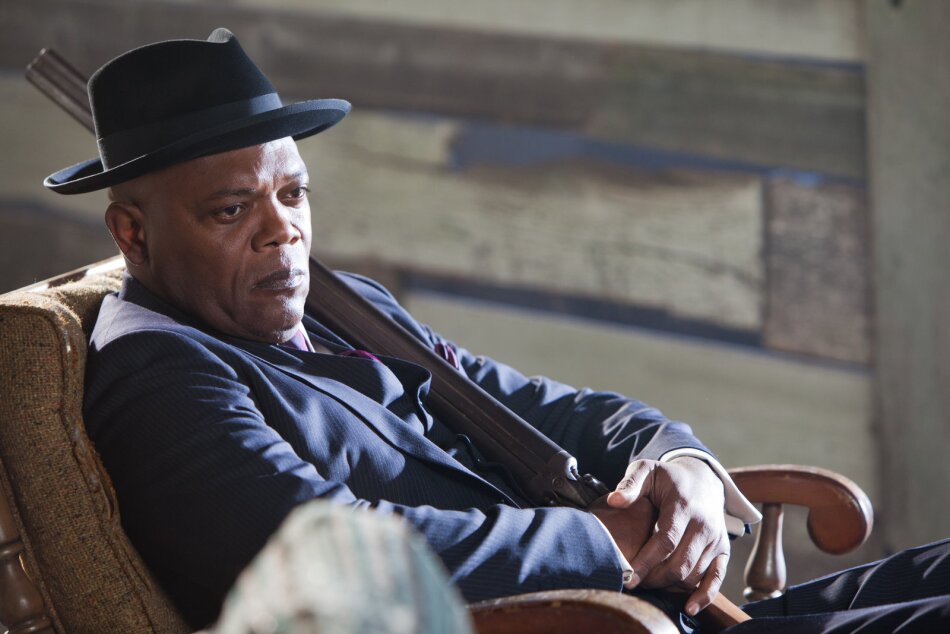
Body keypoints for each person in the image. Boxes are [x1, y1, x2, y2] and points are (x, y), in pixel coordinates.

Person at [44, 29, 948, 633]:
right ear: (133, 236)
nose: (282, 232)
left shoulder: (336, 304)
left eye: (293, 193)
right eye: (232, 209)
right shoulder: (158, 376)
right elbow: (331, 556)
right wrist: (606, 546)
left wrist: (681, 465)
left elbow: (534, 406)